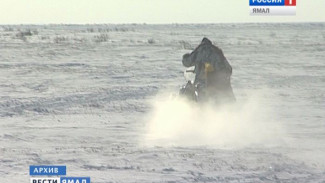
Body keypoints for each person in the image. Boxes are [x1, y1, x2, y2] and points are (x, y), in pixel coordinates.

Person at [182, 38, 235, 102]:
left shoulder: (200, 50)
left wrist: (185, 57)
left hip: (202, 82)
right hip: (217, 83)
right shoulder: (217, 51)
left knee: (190, 92)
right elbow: (228, 69)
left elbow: (187, 62)